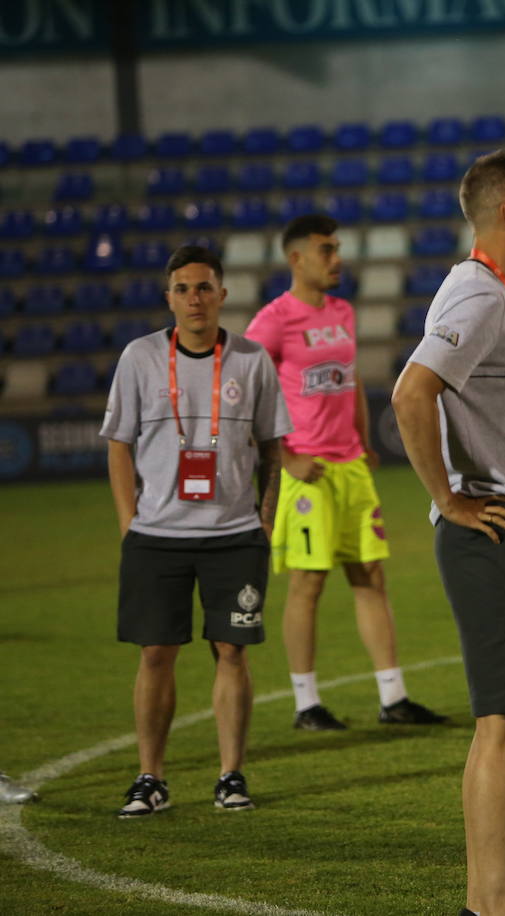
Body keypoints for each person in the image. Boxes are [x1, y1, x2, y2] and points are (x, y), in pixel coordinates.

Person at [391, 149, 505, 916]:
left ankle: (492, 901)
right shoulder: (479, 296)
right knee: (504, 727)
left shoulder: (496, 292)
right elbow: (411, 392)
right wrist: (450, 499)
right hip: (493, 532)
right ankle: (493, 906)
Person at [102, 245, 292, 818]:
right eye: (183, 289)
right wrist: (127, 522)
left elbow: (273, 446)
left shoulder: (251, 360)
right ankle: (150, 777)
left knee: (231, 650)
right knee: (155, 652)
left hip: (234, 535)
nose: (194, 299)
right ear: (169, 298)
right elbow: (118, 444)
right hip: (155, 535)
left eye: (204, 287)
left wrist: (266, 516)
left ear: (222, 295)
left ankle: (230, 775)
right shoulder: (138, 358)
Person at [245, 213, 446, 730]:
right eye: (327, 251)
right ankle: (306, 703)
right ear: (296, 259)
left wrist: (362, 439)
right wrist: (285, 456)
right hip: (306, 473)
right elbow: (247, 394)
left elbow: (350, 380)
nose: (337, 259)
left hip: (350, 466)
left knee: (371, 577)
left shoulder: (341, 312)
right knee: (308, 584)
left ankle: (393, 697)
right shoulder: (272, 321)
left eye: (337, 249)